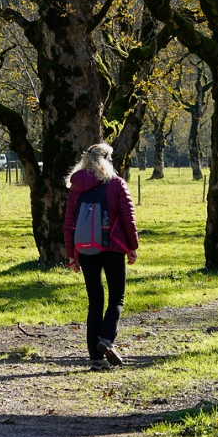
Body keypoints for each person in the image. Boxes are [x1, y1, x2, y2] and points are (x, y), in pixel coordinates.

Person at [63, 143, 138, 371]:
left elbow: (69, 223)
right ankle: (105, 339)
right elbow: (128, 218)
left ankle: (95, 359)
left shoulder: (76, 187)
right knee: (117, 297)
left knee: (95, 301)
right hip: (114, 248)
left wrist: (72, 255)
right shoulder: (116, 184)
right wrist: (132, 247)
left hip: (86, 251)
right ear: (108, 160)